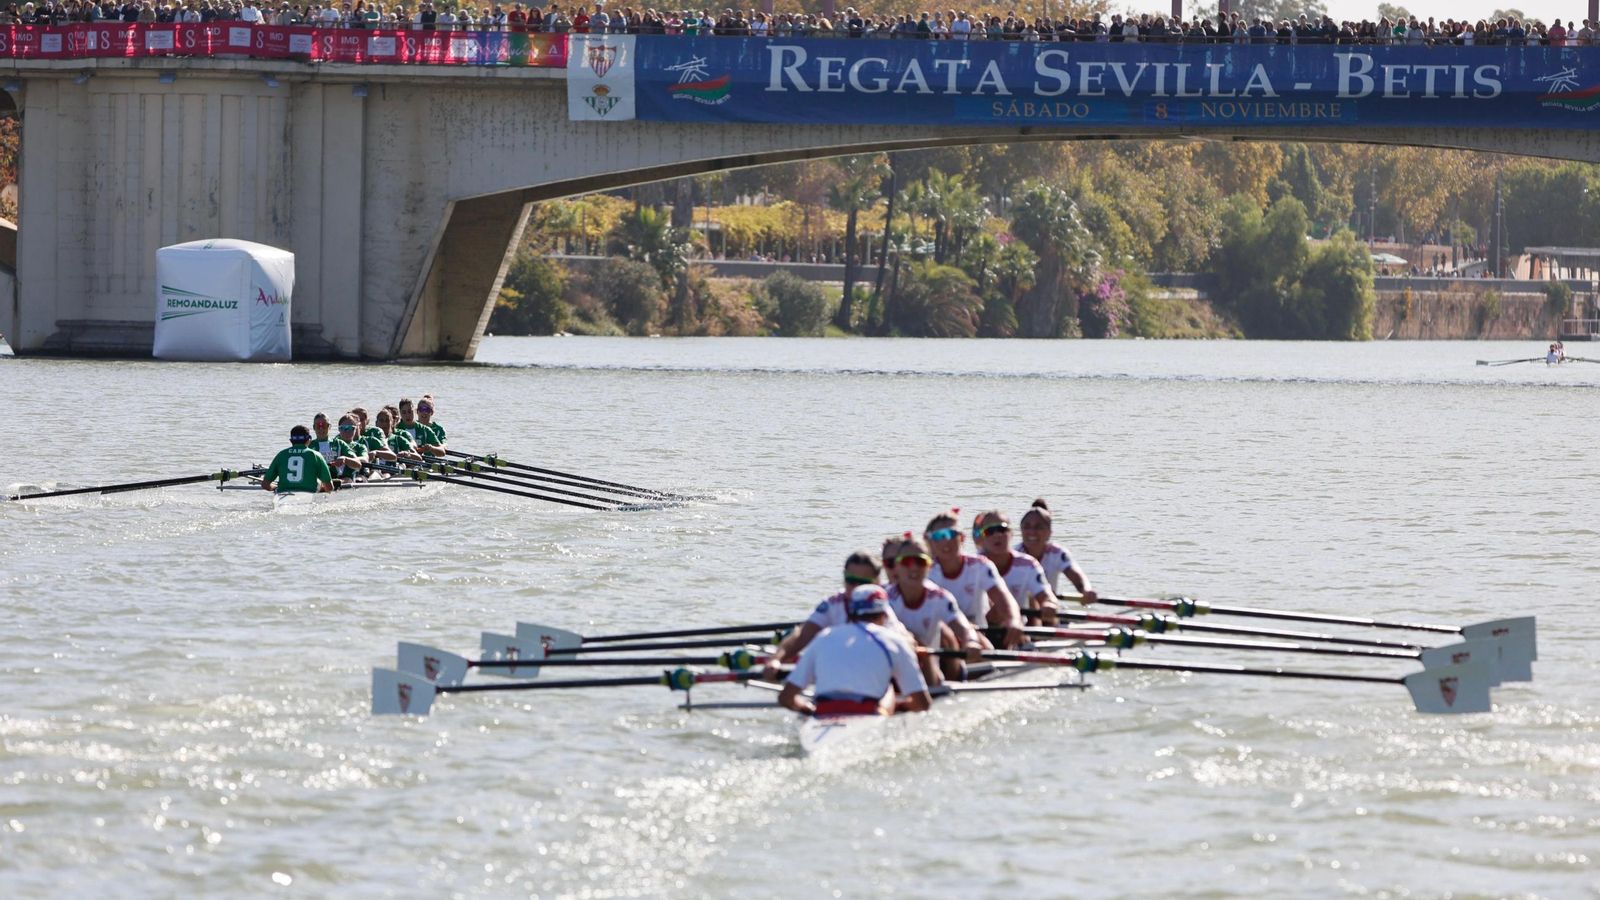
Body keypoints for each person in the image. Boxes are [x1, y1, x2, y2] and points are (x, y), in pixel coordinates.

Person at [779, 585, 932, 717]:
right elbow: (923, 704)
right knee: (888, 688)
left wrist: (810, 711)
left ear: (850, 613)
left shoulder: (823, 637)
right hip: (872, 715)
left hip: (823, 713)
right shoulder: (895, 641)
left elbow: (786, 698)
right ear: (885, 615)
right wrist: (898, 707)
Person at [765, 552, 909, 679]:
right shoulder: (832, 604)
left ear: (877, 583)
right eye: (851, 581)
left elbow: (902, 640)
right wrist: (776, 659)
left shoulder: (880, 608)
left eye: (863, 583)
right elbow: (802, 635)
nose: (855, 588)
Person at [884, 535, 983, 685]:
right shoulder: (883, 599)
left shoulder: (940, 597)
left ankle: (950, 682)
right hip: (893, 665)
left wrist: (971, 641)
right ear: (896, 567)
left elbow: (962, 626)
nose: (914, 567)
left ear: (929, 566)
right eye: (906, 561)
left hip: (929, 665)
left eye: (920, 562)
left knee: (932, 645)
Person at [924, 509, 1026, 648]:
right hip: (943, 641)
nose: (946, 540)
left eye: (952, 534)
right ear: (931, 542)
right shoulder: (927, 573)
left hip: (979, 636)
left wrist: (1014, 619)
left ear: (962, 538)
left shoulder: (980, 565)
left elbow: (1003, 597)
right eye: (939, 536)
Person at [972, 509, 1060, 626]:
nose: (997, 535)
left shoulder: (1028, 565)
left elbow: (1047, 596)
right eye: (990, 531)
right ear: (982, 537)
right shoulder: (972, 566)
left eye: (1002, 529)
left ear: (1011, 533)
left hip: (1018, 631)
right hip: (979, 632)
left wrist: (1049, 604)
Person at [1016, 499, 1099, 604]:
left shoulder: (1057, 553)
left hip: (1048, 609)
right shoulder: (1013, 554)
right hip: (1017, 613)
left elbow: (1076, 576)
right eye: (1027, 527)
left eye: (1038, 527)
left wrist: (1086, 590)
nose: (1032, 532)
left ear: (1049, 533)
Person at [262, 425, 335, 493]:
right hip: (308, 495)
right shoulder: (316, 455)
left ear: (291, 440)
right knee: (319, 482)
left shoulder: (281, 455)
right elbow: (329, 488)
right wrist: (321, 489)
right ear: (309, 440)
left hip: (284, 494)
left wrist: (275, 488)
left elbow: (265, 485)